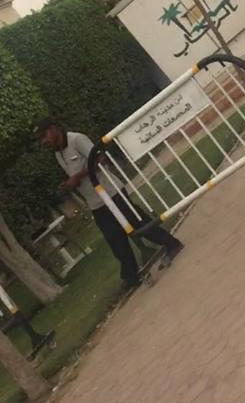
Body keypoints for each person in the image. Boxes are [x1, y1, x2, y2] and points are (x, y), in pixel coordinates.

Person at [34, 117, 183, 290]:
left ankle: (171, 244)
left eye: (44, 135)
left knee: (138, 222)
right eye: (40, 139)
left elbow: (100, 159)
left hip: (111, 192)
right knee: (115, 239)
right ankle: (131, 276)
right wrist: (69, 184)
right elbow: (74, 176)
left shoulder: (77, 139)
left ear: (54, 128)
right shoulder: (58, 154)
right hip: (95, 203)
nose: (44, 141)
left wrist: (78, 177)